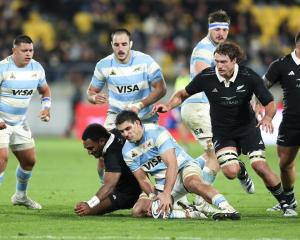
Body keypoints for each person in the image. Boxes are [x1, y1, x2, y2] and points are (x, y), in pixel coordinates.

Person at [153, 41, 297, 217]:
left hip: (247, 129)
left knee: (260, 166)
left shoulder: (249, 76)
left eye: (223, 62)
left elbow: (269, 103)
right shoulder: (207, 76)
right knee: (230, 172)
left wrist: (267, 117)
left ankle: (286, 203)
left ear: (234, 60)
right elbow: (183, 94)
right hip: (223, 132)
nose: (219, 66)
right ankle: (240, 169)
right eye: (216, 61)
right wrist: (168, 106)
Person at [115, 110, 241, 220]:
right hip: (163, 182)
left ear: (137, 123)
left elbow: (172, 165)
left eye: (128, 129)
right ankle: (192, 213)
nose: (125, 134)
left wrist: (166, 194)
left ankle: (227, 208)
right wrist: (153, 197)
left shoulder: (157, 133)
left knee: (193, 183)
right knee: (139, 211)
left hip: (183, 167)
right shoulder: (126, 151)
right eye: (122, 131)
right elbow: (142, 179)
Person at [86, 28, 167, 183]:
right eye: (116, 44)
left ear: (131, 44)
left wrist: (140, 104)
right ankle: (108, 187)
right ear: (111, 45)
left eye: (124, 44)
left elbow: (161, 88)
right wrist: (94, 97)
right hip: (116, 116)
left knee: (150, 158)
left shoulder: (146, 61)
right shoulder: (103, 65)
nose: (120, 48)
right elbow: (90, 92)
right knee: (104, 156)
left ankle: (155, 195)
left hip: (144, 117)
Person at [180, 10, 239, 201]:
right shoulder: (204, 50)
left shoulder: (216, 50)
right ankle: (202, 201)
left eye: (224, 29)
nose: (221, 33)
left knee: (211, 156)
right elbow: (204, 78)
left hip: (203, 108)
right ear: (209, 29)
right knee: (219, 154)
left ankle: (178, 185)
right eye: (217, 30)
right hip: (198, 107)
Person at [0, 35, 51, 209]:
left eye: (31, 50)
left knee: (29, 161)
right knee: (2, 158)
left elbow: (44, 90)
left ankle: (20, 196)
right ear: (14, 51)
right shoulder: (3, 68)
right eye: (24, 51)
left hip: (20, 123)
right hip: (1, 122)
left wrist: (46, 107)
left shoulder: (37, 68)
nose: (29, 54)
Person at [260, 32, 300, 214]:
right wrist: (255, 103)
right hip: (291, 122)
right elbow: (261, 86)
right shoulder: (281, 65)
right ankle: (289, 198)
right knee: (285, 163)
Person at [74, 123, 141, 216]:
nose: (89, 152)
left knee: (87, 211)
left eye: (90, 148)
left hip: (126, 195)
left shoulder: (112, 155)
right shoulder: (116, 133)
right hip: (136, 185)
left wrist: (90, 204)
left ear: (101, 141)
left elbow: (109, 186)